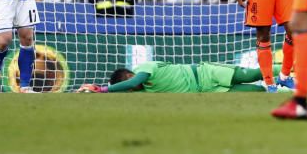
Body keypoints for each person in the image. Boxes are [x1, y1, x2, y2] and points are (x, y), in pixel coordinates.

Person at [78, 62, 268, 94]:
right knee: (256, 91)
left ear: (128, 74)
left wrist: (104, 89)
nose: (131, 88)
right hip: (206, 90)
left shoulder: (144, 68)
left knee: (252, 75)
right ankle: (286, 87)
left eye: (127, 83)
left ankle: (289, 67)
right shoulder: (146, 91)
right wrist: (96, 89)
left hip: (205, 73)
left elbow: (134, 82)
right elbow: (127, 91)